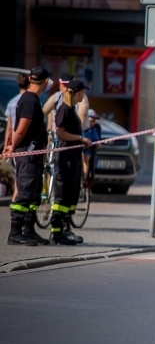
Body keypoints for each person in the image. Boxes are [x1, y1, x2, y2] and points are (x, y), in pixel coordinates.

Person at [4, 66, 51, 246]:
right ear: (45, 81)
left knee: (33, 192)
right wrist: (13, 147)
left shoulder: (31, 99)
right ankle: (15, 232)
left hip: (33, 154)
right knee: (25, 191)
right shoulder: (30, 101)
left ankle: (29, 230)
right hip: (28, 154)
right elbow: (21, 127)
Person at [50, 79, 93, 245]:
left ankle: (66, 229)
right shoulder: (64, 109)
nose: (84, 95)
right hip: (65, 159)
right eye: (82, 92)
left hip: (73, 158)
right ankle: (57, 233)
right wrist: (80, 138)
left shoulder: (72, 110)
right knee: (62, 196)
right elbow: (60, 133)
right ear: (76, 93)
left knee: (71, 195)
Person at [3, 72, 31, 200]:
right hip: (27, 141)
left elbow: (9, 128)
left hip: (15, 140)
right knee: (24, 173)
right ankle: (17, 198)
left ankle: (16, 197)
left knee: (19, 171)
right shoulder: (30, 100)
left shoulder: (11, 103)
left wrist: (7, 145)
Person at [82, 108, 102, 188]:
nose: (92, 123)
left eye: (94, 121)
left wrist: (98, 143)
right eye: (90, 121)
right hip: (81, 148)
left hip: (89, 149)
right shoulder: (82, 128)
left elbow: (97, 139)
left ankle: (85, 177)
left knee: (87, 159)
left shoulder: (94, 129)